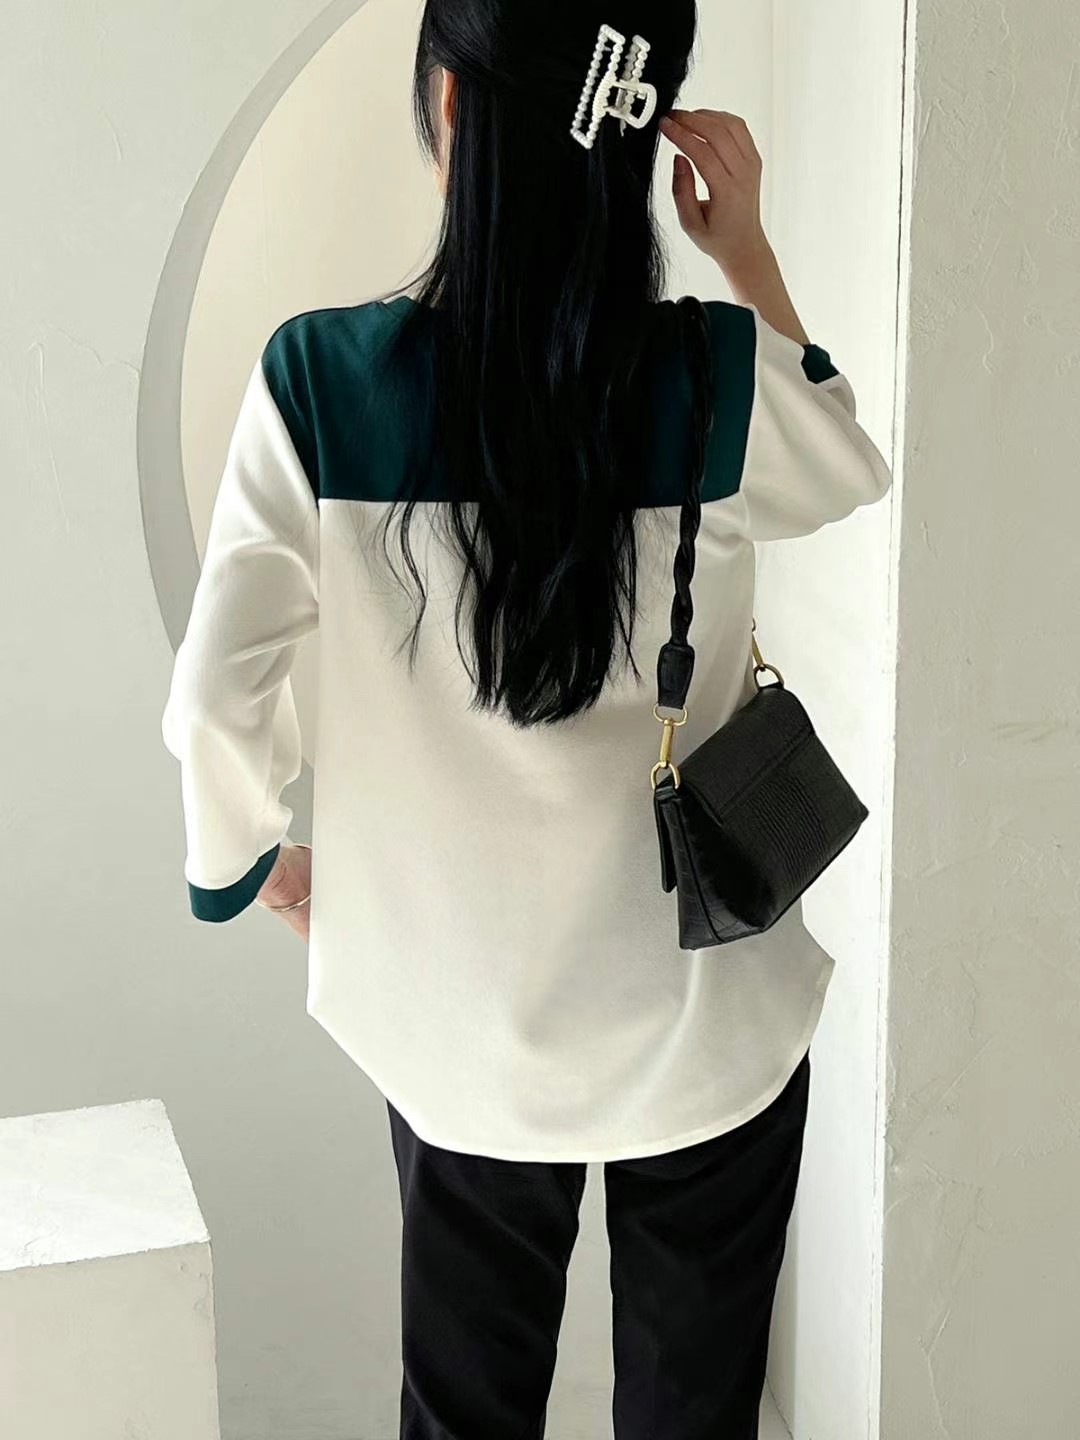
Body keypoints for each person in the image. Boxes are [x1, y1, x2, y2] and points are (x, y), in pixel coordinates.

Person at [161, 1, 892, 1434]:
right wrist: (746, 253)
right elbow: (844, 464)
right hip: (705, 1007)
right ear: (634, 141)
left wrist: (257, 867)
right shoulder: (712, 369)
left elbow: (216, 696)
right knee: (697, 1409)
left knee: (463, 1412)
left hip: (456, 1028)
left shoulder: (319, 381)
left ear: (448, 108)